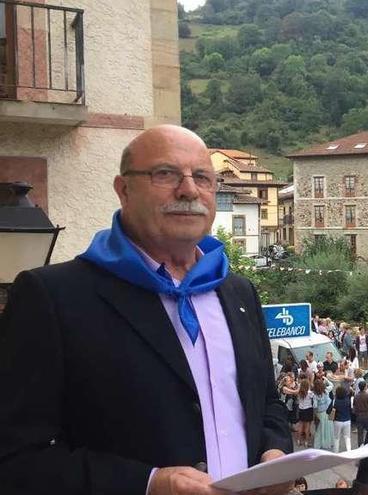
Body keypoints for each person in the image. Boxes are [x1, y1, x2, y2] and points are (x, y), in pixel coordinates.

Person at [0, 125, 294, 494]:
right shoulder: (54, 296)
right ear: (123, 189)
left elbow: (266, 402)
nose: (188, 190)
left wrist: (276, 450)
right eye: (165, 174)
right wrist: (148, 483)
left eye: (202, 177)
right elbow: (16, 459)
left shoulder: (237, 292)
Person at [312, 379, 334, 450]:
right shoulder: (326, 391)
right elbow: (332, 385)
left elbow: (315, 406)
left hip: (319, 413)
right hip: (327, 412)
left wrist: (314, 415)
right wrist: (326, 380)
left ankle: (320, 443)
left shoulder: (315, 395)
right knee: (328, 428)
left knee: (319, 429)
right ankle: (328, 442)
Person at [332, 385, 353, 453]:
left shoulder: (335, 401)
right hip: (347, 420)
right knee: (347, 437)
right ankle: (349, 451)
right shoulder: (348, 400)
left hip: (337, 421)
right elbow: (351, 409)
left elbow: (329, 410)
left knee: (336, 438)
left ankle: (336, 452)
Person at [297, 377, 316, 447]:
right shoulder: (310, 393)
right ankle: (306, 442)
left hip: (301, 409)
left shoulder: (299, 392)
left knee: (300, 425)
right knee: (307, 427)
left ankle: (299, 440)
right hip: (308, 410)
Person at [353, 380, 368, 447]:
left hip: (359, 416)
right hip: (367, 416)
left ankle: (360, 446)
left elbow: (354, 408)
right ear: (364, 387)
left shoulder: (356, 396)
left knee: (360, 433)